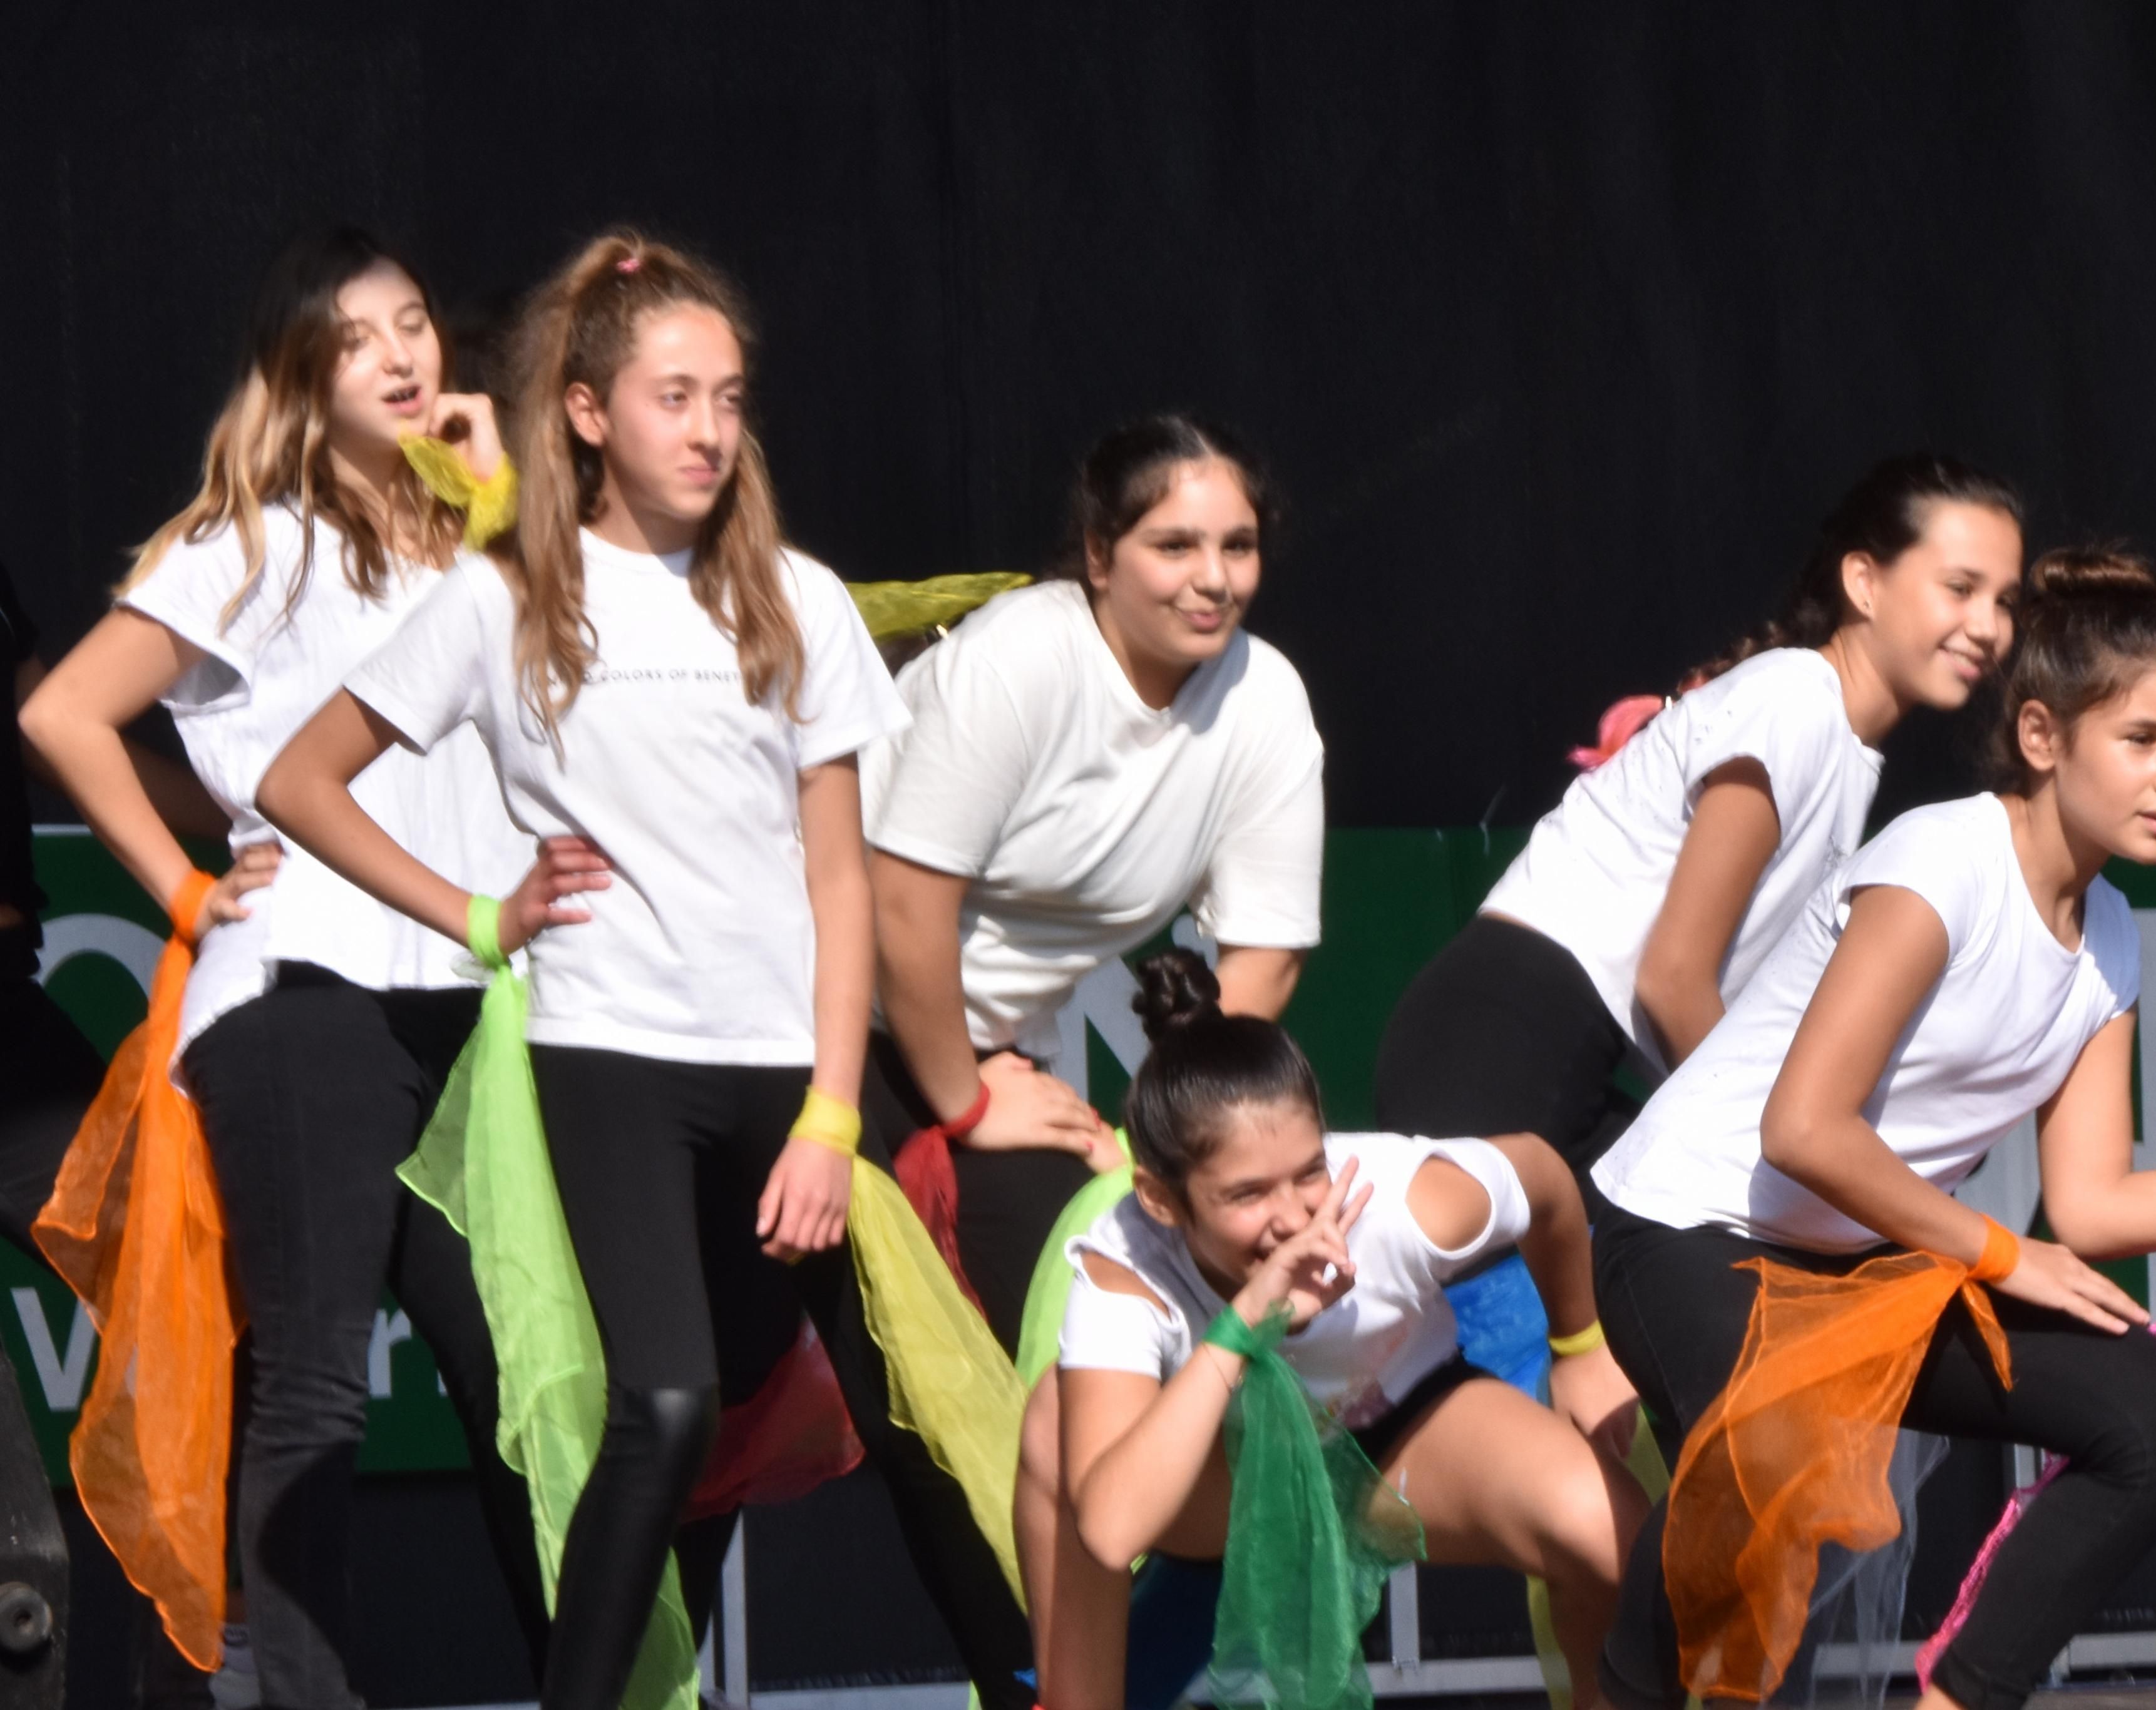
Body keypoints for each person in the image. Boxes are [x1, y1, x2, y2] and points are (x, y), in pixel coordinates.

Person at [257, 230, 1027, 1710]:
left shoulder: (792, 596)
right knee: (662, 1409)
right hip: (608, 1060)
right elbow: (301, 779)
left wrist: (831, 1112)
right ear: (588, 411)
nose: (709, 429)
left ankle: (1033, 1688)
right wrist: (479, 916)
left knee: (912, 1412)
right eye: (674, 396)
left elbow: (838, 878)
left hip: (788, 1075)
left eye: (729, 398)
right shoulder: (499, 600)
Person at [1586, 551, 2156, 1710]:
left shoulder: (2111, 938)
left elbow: (2093, 1206)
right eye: (2143, 740)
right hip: (1685, 1231)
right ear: (2040, 736)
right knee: (1775, 1444)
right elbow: (1804, 1129)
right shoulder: (1941, 862)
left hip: (1866, 1267)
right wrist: (1997, 1252)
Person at [20, 229, 549, 1704]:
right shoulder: (255, 542)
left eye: (415, 322)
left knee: (516, 1378)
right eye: (357, 336)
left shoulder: (479, 543)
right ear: (301, 375)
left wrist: (497, 497)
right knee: (313, 1379)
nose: (402, 354)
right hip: (308, 994)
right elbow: (65, 713)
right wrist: (188, 889)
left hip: (469, 1002)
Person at [1017, 949, 1647, 1710]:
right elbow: (1114, 1528)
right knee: (1060, 1413)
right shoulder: (1123, 1264)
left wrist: (1579, 1344)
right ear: (1160, 1199)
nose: (1294, 1217)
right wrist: (1244, 1323)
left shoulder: (1402, 1202)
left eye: (1308, 1171)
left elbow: (1542, 1176)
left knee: (1616, 1538)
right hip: (1230, 1483)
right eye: (1247, 1193)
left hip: (1401, 1439)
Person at [1372, 453, 2023, 1175]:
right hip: (1497, 1047)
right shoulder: (1796, 704)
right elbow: (1673, 977)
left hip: (1562, 1065)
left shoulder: (1836, 742)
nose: (1987, 626)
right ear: (1864, 582)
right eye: (1960, 588)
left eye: (2004, 601)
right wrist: (1774, 1151)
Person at [865, 414, 1325, 1354]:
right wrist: (966, 1103)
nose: (1214, 578)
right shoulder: (1020, 656)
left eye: (1238, 547)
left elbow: (1267, 957)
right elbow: (903, 906)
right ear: (1099, 556)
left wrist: (1165, 1131)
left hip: (981, 1056)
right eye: (1175, 546)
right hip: (804, 1021)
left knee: (1076, 1325)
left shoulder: (1265, 698)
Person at [6, 558, 239, 1706]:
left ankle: (193, 1671)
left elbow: (52, 726)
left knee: (190, 1273)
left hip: (8, 1014)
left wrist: (259, 807)